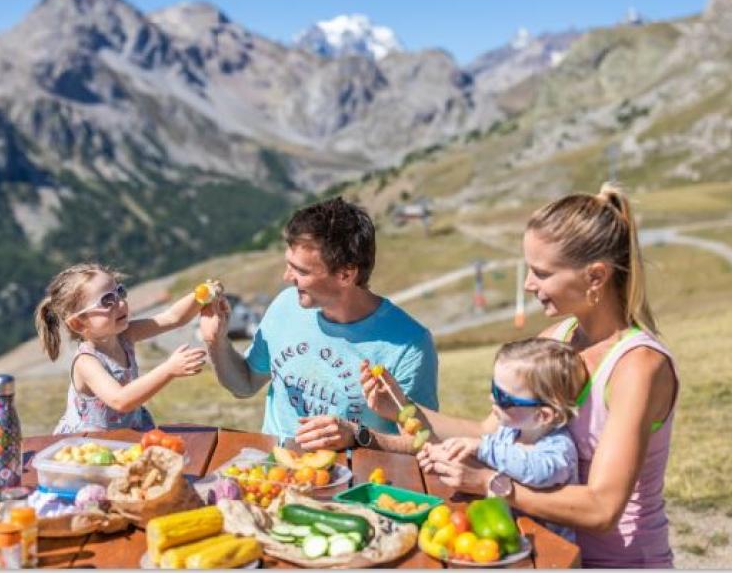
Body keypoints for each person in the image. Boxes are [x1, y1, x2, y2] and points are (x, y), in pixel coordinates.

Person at [362, 183, 678, 568]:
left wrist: (490, 483)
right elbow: (488, 431)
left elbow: (602, 508)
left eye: (541, 272)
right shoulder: (557, 340)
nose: (528, 284)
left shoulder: (638, 367)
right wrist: (402, 409)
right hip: (548, 555)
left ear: (596, 276)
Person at [200, 197, 439, 451]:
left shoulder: (409, 344)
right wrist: (216, 342)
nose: (286, 277)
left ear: (345, 275)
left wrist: (357, 436)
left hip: (357, 483)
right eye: (288, 265)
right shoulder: (285, 305)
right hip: (276, 473)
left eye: (301, 271)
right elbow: (245, 384)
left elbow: (420, 442)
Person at [429, 337, 586, 542]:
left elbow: (536, 471)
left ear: (543, 416)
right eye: (494, 388)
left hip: (550, 550)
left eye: (503, 397)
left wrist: (484, 448)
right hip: (510, 536)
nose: (491, 398)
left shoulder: (558, 447)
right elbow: (489, 464)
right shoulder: (509, 431)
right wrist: (447, 456)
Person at [35, 262, 211, 434]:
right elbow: (120, 400)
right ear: (78, 323)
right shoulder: (86, 361)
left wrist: (201, 295)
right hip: (90, 444)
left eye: (119, 292)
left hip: (127, 433)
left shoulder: (125, 335)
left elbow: (173, 318)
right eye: (107, 301)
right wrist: (168, 370)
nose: (121, 303)